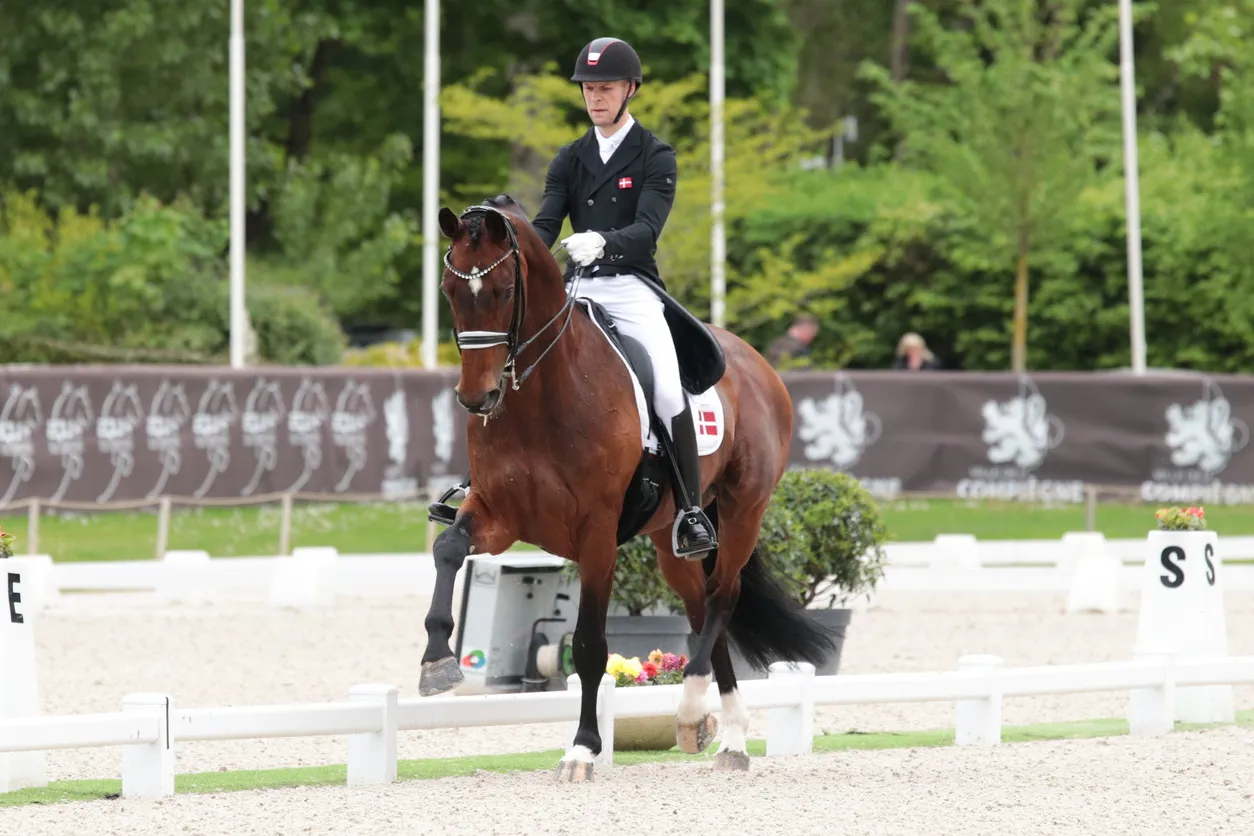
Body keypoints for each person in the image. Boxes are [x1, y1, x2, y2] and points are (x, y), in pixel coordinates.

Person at [428, 36, 718, 559]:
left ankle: (692, 512)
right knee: (514, 365)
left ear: (630, 90)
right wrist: (500, 236)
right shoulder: (571, 157)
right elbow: (543, 226)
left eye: (605, 88)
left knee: (670, 389)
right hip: (576, 286)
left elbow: (648, 230)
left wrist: (604, 240)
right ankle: (482, 484)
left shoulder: (656, 156)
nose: (595, 97)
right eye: (588, 89)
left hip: (631, 288)